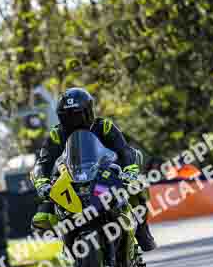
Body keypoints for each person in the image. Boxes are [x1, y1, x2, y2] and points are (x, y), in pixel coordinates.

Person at [30, 87, 157, 252]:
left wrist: (130, 171)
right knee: (44, 209)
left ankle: (142, 231)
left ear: (89, 112)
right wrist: (42, 184)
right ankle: (65, 236)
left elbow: (124, 150)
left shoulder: (103, 126)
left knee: (136, 187)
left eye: (78, 115)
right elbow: (43, 163)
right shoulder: (57, 134)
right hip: (70, 177)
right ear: (61, 117)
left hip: (104, 173)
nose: (73, 121)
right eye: (67, 116)